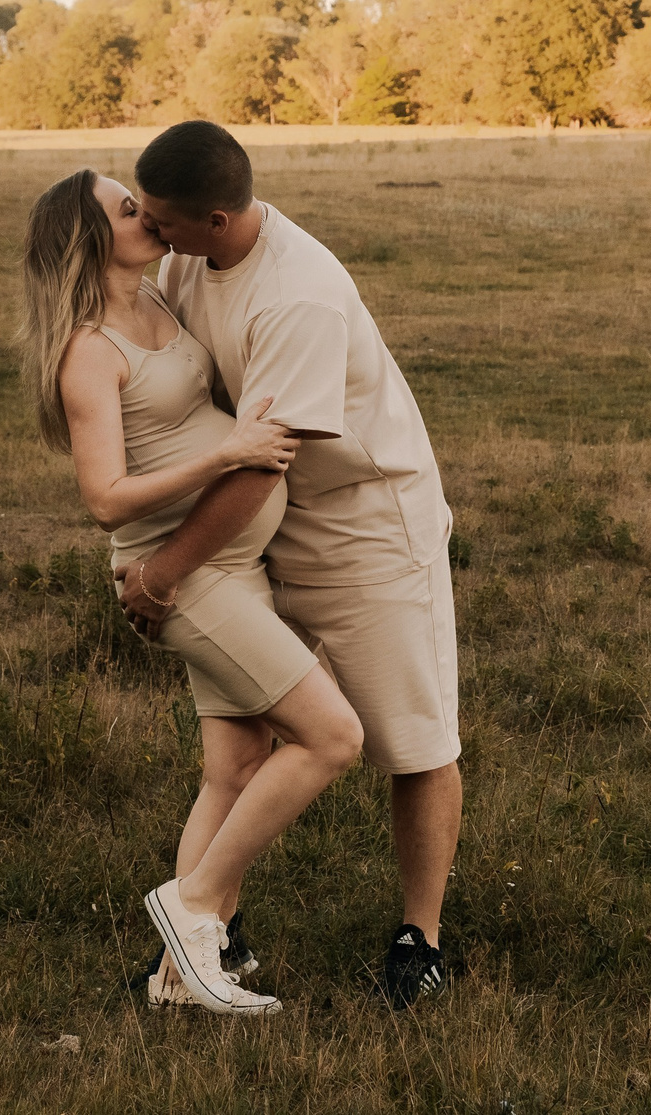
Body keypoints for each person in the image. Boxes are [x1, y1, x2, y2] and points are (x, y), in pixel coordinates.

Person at [122, 120, 462, 1009]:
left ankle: (418, 939)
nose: (152, 234)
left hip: (364, 527)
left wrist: (165, 574)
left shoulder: (297, 295)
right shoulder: (188, 257)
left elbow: (260, 458)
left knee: (411, 740)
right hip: (263, 530)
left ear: (220, 218)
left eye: (164, 221)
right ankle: (207, 937)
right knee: (243, 742)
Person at [21, 168, 366, 1016]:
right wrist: (228, 454)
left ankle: (177, 980)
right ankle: (195, 905)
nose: (148, 214)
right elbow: (104, 496)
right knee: (332, 737)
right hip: (182, 576)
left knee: (235, 765)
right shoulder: (89, 351)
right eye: (128, 209)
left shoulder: (158, 301)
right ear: (90, 240)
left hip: (234, 567)